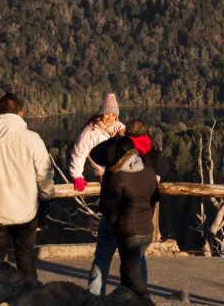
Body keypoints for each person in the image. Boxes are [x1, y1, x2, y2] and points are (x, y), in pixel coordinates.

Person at [0, 93, 55, 279]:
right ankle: (29, 297)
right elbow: (44, 175)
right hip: (25, 211)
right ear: (20, 114)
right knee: (26, 258)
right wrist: (46, 199)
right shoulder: (31, 139)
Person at [85, 119, 167, 295]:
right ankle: (133, 298)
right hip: (140, 221)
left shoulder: (116, 151)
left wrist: (114, 139)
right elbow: (164, 169)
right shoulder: (149, 156)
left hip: (113, 218)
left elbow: (94, 153)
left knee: (103, 257)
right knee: (136, 261)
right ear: (144, 134)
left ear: (126, 134)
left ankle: (94, 297)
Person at [99, 136, 160, 298]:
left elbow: (111, 207)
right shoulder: (148, 170)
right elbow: (155, 196)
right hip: (146, 230)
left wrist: (114, 224)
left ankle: (146, 302)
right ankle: (127, 301)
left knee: (134, 277)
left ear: (117, 152)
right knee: (128, 272)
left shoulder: (118, 175)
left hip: (128, 233)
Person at [70, 94, 125, 192]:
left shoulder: (119, 127)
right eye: (107, 114)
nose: (110, 118)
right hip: (105, 176)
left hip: (122, 174)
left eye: (113, 115)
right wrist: (77, 176)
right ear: (101, 113)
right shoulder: (90, 131)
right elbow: (78, 154)